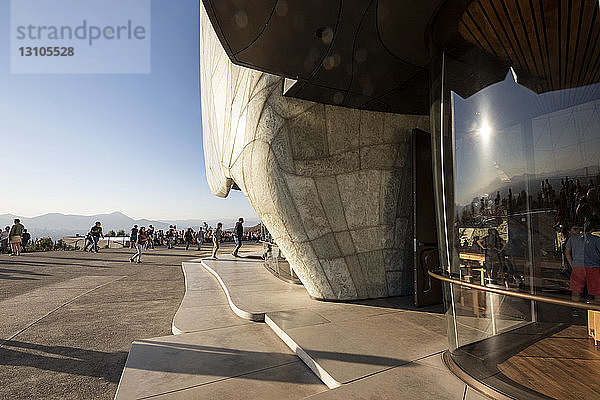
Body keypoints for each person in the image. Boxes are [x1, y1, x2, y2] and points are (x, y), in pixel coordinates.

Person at [565, 224, 600, 303]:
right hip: (593, 267)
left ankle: (575, 310)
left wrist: (572, 265)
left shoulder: (572, 238)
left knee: (576, 290)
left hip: (578, 267)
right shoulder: (596, 239)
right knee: (597, 292)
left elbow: (567, 252)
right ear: (592, 230)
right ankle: (597, 311)